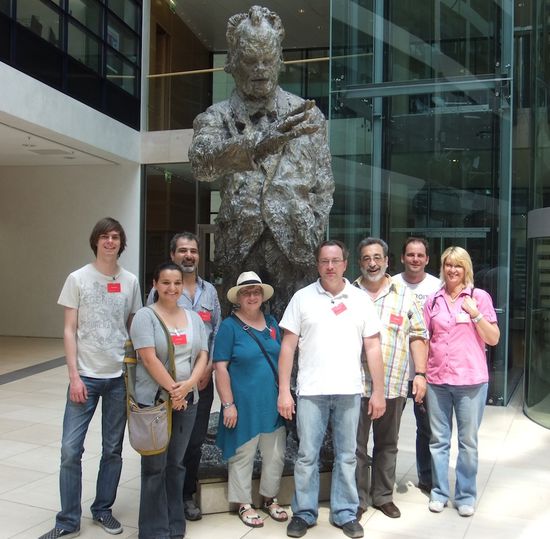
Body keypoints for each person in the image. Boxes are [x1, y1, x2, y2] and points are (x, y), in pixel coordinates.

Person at [189, 5, 334, 318]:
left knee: (297, 342)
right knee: (241, 344)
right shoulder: (218, 116)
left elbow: (324, 184)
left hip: (297, 251)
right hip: (240, 251)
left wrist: (311, 227)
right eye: (250, 61)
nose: (260, 69)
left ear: (280, 60)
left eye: (268, 60)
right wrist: (260, 142)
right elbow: (202, 162)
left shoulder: (307, 114)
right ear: (233, 64)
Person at [40, 217, 142, 539]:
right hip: (85, 375)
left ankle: (102, 509)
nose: (110, 242)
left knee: (112, 449)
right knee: (71, 450)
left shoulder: (130, 281)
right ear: (95, 241)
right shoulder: (78, 278)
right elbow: (69, 330)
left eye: (115, 237)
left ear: (121, 244)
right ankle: (68, 520)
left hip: (117, 378)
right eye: (104, 237)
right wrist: (74, 376)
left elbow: (132, 326)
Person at [278, 240, 385, 539]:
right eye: (325, 261)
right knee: (307, 455)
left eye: (335, 260)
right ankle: (304, 513)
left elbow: (373, 347)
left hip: (350, 390)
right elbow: (287, 347)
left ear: (345, 264)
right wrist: (284, 390)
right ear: (317, 265)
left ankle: (345, 512)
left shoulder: (361, 299)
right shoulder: (302, 298)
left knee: (348, 455)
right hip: (311, 391)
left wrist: (378, 391)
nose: (330, 266)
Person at [146, 232, 221, 521]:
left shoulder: (210, 292)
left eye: (193, 251)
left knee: (194, 441)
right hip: (167, 385)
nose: (188, 256)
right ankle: (162, 496)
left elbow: (216, 330)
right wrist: (173, 383)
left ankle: (186, 495)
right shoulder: (161, 291)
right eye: (182, 251)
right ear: (173, 255)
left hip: (201, 383)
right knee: (166, 442)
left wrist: (208, 368)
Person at [131, 262, 208, 539]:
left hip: (188, 401)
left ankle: (175, 526)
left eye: (177, 283)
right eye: (166, 282)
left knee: (176, 464)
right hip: (155, 403)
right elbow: (148, 358)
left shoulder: (194, 318)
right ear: (155, 284)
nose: (172, 288)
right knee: (154, 466)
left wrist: (187, 387)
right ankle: (153, 531)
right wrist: (174, 391)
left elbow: (202, 355)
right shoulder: (145, 317)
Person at [353, 238, 428, 519]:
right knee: (356, 446)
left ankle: (383, 495)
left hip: (393, 384)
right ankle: (358, 499)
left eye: (377, 257)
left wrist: (420, 374)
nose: (372, 263)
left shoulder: (404, 295)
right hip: (355, 384)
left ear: (386, 261)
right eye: (366, 258)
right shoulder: (349, 294)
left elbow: (419, 335)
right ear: (359, 263)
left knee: (387, 444)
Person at [423, 246, 499, 517]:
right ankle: (439, 493)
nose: (452, 270)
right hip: (438, 380)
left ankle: (465, 495)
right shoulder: (433, 300)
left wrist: (475, 314)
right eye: (448, 265)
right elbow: (424, 339)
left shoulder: (480, 298)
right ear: (442, 268)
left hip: (471, 381)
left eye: (458, 265)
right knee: (439, 440)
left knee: (468, 442)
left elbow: (493, 338)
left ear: (466, 268)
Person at [213, 271, 287, 529]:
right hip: (242, 405)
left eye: (256, 291)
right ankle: (244, 503)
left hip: (272, 402)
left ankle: (269, 497)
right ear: (238, 298)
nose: (252, 296)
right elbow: (220, 368)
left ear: (262, 296)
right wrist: (227, 404)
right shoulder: (228, 326)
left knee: (275, 454)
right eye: (247, 292)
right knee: (243, 454)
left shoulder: (272, 323)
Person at [392, 237, 441, 494]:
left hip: (426, 370)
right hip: (395, 371)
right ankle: (384, 478)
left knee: (427, 429)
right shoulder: (391, 284)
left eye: (420, 255)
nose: (415, 259)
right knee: (389, 430)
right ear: (402, 258)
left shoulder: (437, 286)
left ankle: (427, 478)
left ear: (427, 259)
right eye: (410, 254)